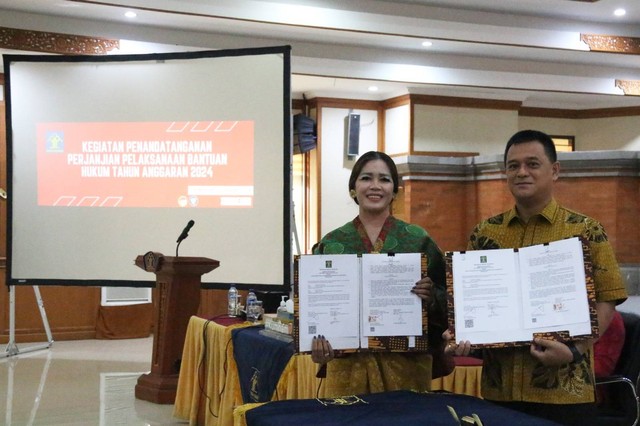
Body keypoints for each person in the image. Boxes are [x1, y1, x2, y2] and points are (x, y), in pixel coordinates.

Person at [444, 130, 628, 425]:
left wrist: (574, 350)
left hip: (564, 391)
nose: (522, 173)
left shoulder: (585, 230)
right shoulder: (485, 233)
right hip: (500, 390)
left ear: (554, 171)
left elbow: (607, 298)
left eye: (532, 164)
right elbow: (473, 301)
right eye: (513, 166)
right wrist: (464, 336)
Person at [311, 150, 453, 396]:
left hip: (407, 366)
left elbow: (451, 301)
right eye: (366, 178)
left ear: (395, 190)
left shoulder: (418, 240)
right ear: (353, 188)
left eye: (384, 179)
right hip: (347, 367)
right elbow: (315, 308)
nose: (375, 186)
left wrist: (431, 298)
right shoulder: (331, 243)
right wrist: (316, 343)